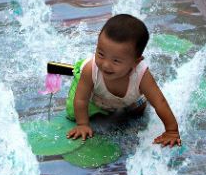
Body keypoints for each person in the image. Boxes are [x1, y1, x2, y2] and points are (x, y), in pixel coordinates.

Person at [65, 14, 182, 147]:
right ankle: (77, 71)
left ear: (135, 62)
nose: (105, 65)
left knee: (138, 109)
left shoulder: (142, 76)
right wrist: (82, 124)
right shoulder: (91, 69)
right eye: (101, 54)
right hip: (96, 96)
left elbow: (160, 103)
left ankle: (129, 104)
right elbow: (81, 99)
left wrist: (172, 131)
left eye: (116, 60)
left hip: (127, 99)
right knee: (73, 112)